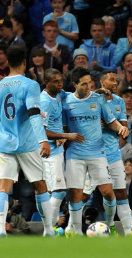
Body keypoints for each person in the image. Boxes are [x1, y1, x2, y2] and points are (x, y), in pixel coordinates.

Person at [62, 67, 129, 236]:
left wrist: (121, 128)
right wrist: (62, 137)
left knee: (108, 192)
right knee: (77, 194)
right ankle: (74, 230)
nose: (88, 87)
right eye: (83, 84)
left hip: (98, 154)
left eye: (89, 83)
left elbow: (111, 120)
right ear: (75, 84)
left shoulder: (99, 99)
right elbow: (61, 125)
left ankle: (110, 224)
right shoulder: (66, 101)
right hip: (75, 154)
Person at [0, 46, 54, 237]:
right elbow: (33, 114)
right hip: (27, 143)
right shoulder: (30, 85)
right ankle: (49, 231)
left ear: (7, 61)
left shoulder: (0, 85)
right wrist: (43, 140)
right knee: (40, 185)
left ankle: (0, 230)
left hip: (4, 143)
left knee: (3, 187)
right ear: (25, 61)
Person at [83, 70, 132, 235]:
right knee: (82, 194)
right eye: (112, 80)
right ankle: (70, 228)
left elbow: (125, 131)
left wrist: (116, 133)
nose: (116, 83)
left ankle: (127, 232)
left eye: (117, 80)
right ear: (102, 82)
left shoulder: (119, 101)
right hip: (92, 154)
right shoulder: (90, 99)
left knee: (121, 193)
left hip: (113, 155)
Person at [40, 68, 85, 227]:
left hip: (59, 150)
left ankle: (52, 229)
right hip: (49, 152)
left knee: (58, 191)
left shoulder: (59, 94)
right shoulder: (44, 101)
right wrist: (65, 136)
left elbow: (75, 95)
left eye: (61, 80)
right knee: (58, 191)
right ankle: (50, 228)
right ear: (46, 83)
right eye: (56, 81)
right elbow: (41, 130)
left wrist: (96, 92)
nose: (60, 84)